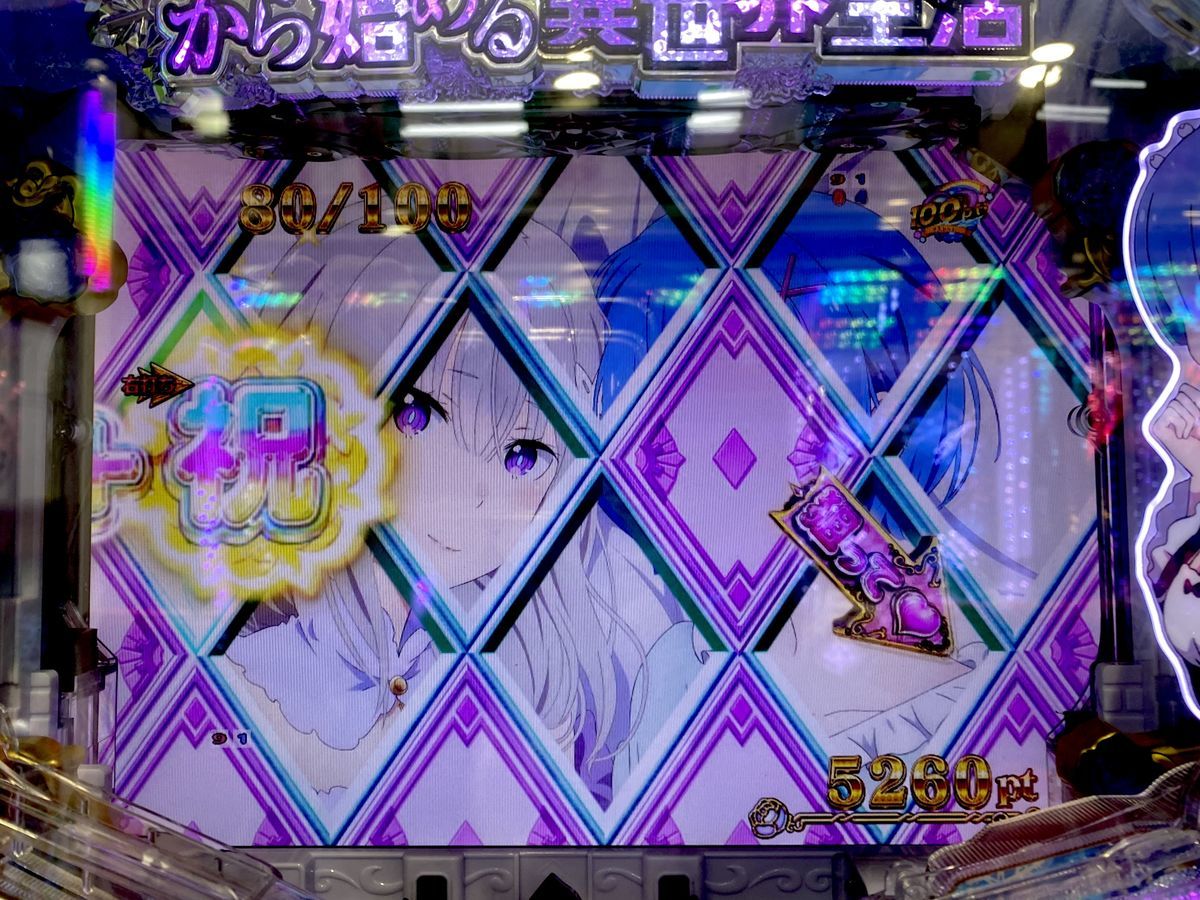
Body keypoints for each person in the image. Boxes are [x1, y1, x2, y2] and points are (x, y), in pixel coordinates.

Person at [223, 205, 708, 809]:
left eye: (523, 455)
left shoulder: (539, 677)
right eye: (417, 415)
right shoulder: (258, 669)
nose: (473, 494)